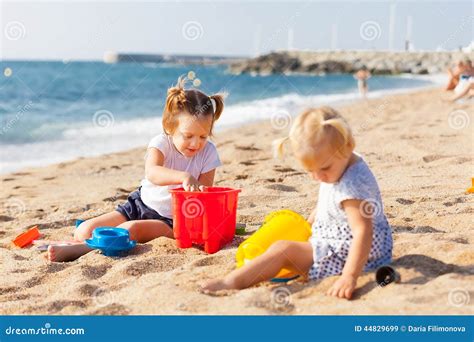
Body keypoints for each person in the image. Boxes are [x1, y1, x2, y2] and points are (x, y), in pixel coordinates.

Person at [201, 107, 393, 300]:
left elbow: (363, 231)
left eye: (323, 168)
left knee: (283, 249)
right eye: (310, 170)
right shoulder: (340, 160)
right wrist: (308, 226)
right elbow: (328, 202)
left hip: (352, 255)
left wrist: (349, 277)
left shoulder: (352, 186)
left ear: (348, 145)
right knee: (285, 246)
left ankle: (230, 283)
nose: (317, 176)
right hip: (342, 242)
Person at [47, 77, 225, 262]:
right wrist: (184, 177)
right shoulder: (161, 143)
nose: (196, 143)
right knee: (84, 230)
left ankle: (81, 250)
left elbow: (205, 195)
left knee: (129, 230)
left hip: (172, 220)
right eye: (188, 136)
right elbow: (152, 173)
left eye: (203, 136)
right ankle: (84, 241)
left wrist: (198, 191)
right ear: (170, 127)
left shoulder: (208, 152)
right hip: (139, 204)